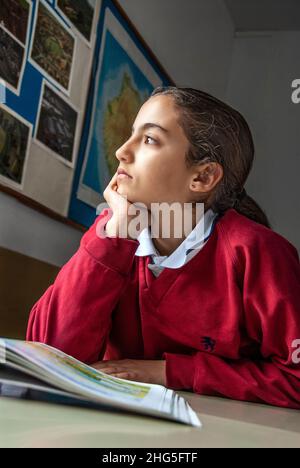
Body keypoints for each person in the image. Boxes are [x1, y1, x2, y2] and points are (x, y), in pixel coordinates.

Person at [26, 87, 300, 409]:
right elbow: (48, 356)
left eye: (150, 139)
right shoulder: (111, 235)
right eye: (130, 135)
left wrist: (171, 372)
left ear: (203, 176)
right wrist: (114, 238)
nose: (121, 152)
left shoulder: (256, 252)